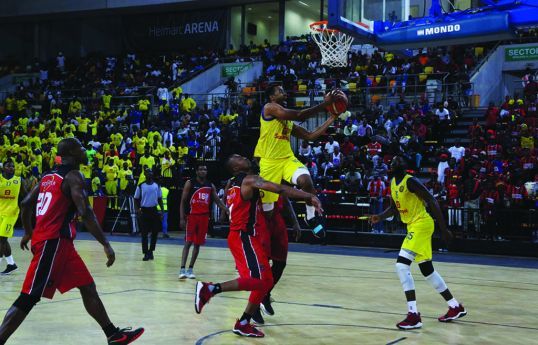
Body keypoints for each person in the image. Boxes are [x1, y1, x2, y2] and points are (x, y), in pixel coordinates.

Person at [0, 138, 144, 345]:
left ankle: (113, 335)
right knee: (29, 296)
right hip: (53, 242)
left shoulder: (48, 176)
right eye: (81, 147)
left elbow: (25, 204)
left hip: (60, 243)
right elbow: (86, 212)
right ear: (71, 153)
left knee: (87, 286)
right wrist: (105, 243)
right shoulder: (74, 176)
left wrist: (29, 233)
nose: (85, 150)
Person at [194, 154, 323, 338]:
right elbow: (279, 189)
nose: (242, 156)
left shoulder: (232, 183)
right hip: (243, 236)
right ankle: (209, 289)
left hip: (244, 236)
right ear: (236, 168)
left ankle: (244, 322)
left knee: (267, 281)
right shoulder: (249, 180)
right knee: (258, 281)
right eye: (238, 157)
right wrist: (308, 195)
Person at [369, 156, 466, 330]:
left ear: (405, 166)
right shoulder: (392, 183)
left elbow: (432, 200)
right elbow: (394, 208)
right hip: (414, 225)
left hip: (421, 224)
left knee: (401, 266)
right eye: (394, 161)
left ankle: (413, 315)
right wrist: (380, 217)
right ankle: (455, 306)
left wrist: (444, 230)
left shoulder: (411, 181)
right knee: (427, 270)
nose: (395, 162)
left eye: (399, 161)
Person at [257, 84, 343, 238]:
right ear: (271, 97)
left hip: (287, 159)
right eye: (280, 91)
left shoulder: (286, 120)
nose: (284, 93)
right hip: (269, 163)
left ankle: (310, 217)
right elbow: (300, 116)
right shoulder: (269, 107)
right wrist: (326, 103)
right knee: (268, 213)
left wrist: (332, 118)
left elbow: (310, 136)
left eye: (284, 90)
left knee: (307, 181)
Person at [251, 195, 301, 325]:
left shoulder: (278, 178)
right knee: (263, 265)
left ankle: (265, 294)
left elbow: (286, 198)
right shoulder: (258, 178)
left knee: (281, 262)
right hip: (261, 219)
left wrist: (295, 222)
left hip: (277, 219)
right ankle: (254, 305)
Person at [179, 164, 228, 279]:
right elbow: (183, 201)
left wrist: (226, 210)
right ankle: (182, 269)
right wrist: (181, 218)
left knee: (197, 244)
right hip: (192, 217)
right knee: (188, 242)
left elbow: (218, 201)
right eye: (200, 169)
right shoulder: (190, 183)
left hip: (204, 218)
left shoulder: (210, 185)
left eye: (205, 169)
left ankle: (190, 269)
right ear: (196, 171)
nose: (203, 171)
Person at [0, 160, 25, 275]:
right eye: (8, 166)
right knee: (1, 240)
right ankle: (7, 263)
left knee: (2, 239)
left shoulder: (19, 180)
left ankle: (7, 263)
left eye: (13, 166)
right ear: (3, 168)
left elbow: (26, 196)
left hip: (11, 213)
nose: (11, 168)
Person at [134, 168, 164, 261]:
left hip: (154, 211)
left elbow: (160, 199)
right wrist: (137, 209)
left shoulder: (157, 185)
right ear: (145, 174)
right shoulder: (140, 186)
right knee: (144, 234)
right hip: (144, 211)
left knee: (155, 233)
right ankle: (146, 253)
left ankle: (151, 251)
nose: (150, 173)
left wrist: (162, 211)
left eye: (151, 171)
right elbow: (136, 198)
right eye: (148, 171)